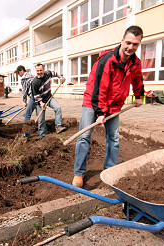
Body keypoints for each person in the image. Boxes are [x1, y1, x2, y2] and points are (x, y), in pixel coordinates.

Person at [72, 26, 145, 188]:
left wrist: (139, 96)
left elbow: (138, 80)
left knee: (114, 138)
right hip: (93, 102)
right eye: (128, 43)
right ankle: (79, 173)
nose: (131, 47)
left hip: (115, 105)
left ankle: (109, 170)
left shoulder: (135, 63)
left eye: (135, 44)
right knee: (84, 137)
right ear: (122, 41)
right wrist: (100, 112)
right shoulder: (107, 60)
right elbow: (100, 87)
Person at [31, 63, 66, 138]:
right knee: (40, 119)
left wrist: (61, 77)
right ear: (36, 70)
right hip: (40, 101)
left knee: (58, 108)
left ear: (43, 69)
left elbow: (55, 73)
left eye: (40, 70)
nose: (39, 72)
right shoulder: (34, 82)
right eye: (37, 71)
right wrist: (41, 103)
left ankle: (58, 127)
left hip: (49, 97)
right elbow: (36, 95)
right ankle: (43, 134)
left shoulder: (47, 74)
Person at [15, 65, 36, 136]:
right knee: (39, 113)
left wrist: (24, 102)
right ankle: (43, 133)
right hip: (39, 96)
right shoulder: (32, 75)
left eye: (18, 73)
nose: (18, 75)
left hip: (34, 97)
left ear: (21, 71)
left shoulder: (24, 78)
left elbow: (24, 91)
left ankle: (26, 134)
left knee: (26, 115)